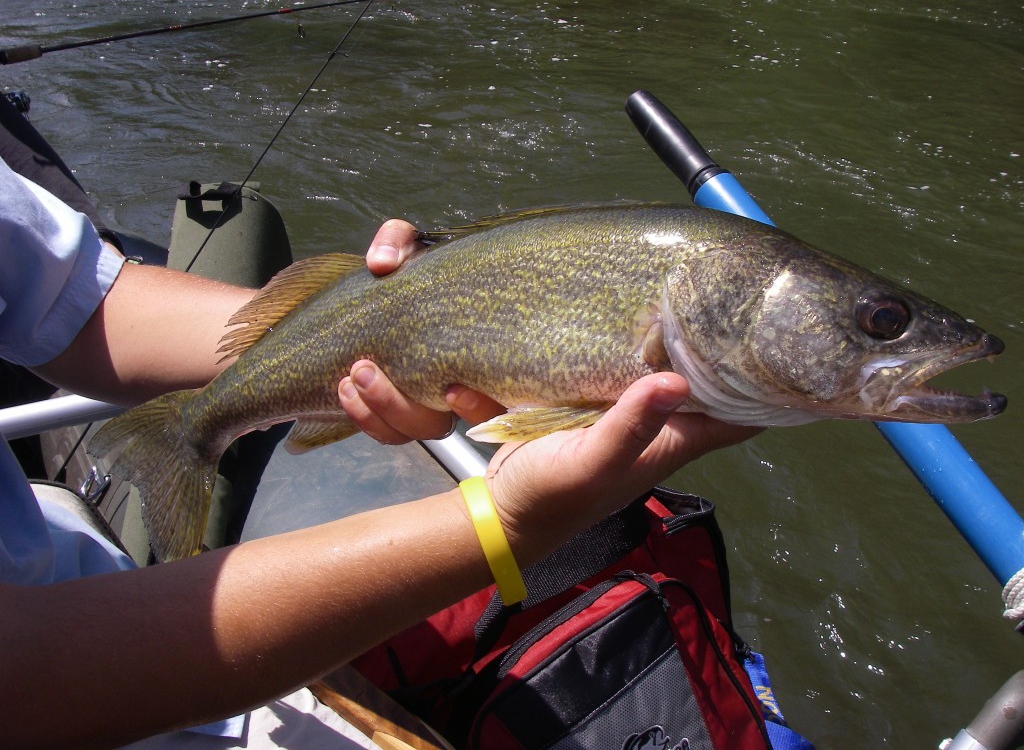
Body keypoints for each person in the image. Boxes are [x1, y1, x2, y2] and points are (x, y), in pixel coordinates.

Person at [0, 152, 758, 748]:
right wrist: (510, 522)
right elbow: (23, 690)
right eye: (879, 325)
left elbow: (84, 302)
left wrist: (398, 313)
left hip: (78, 575)